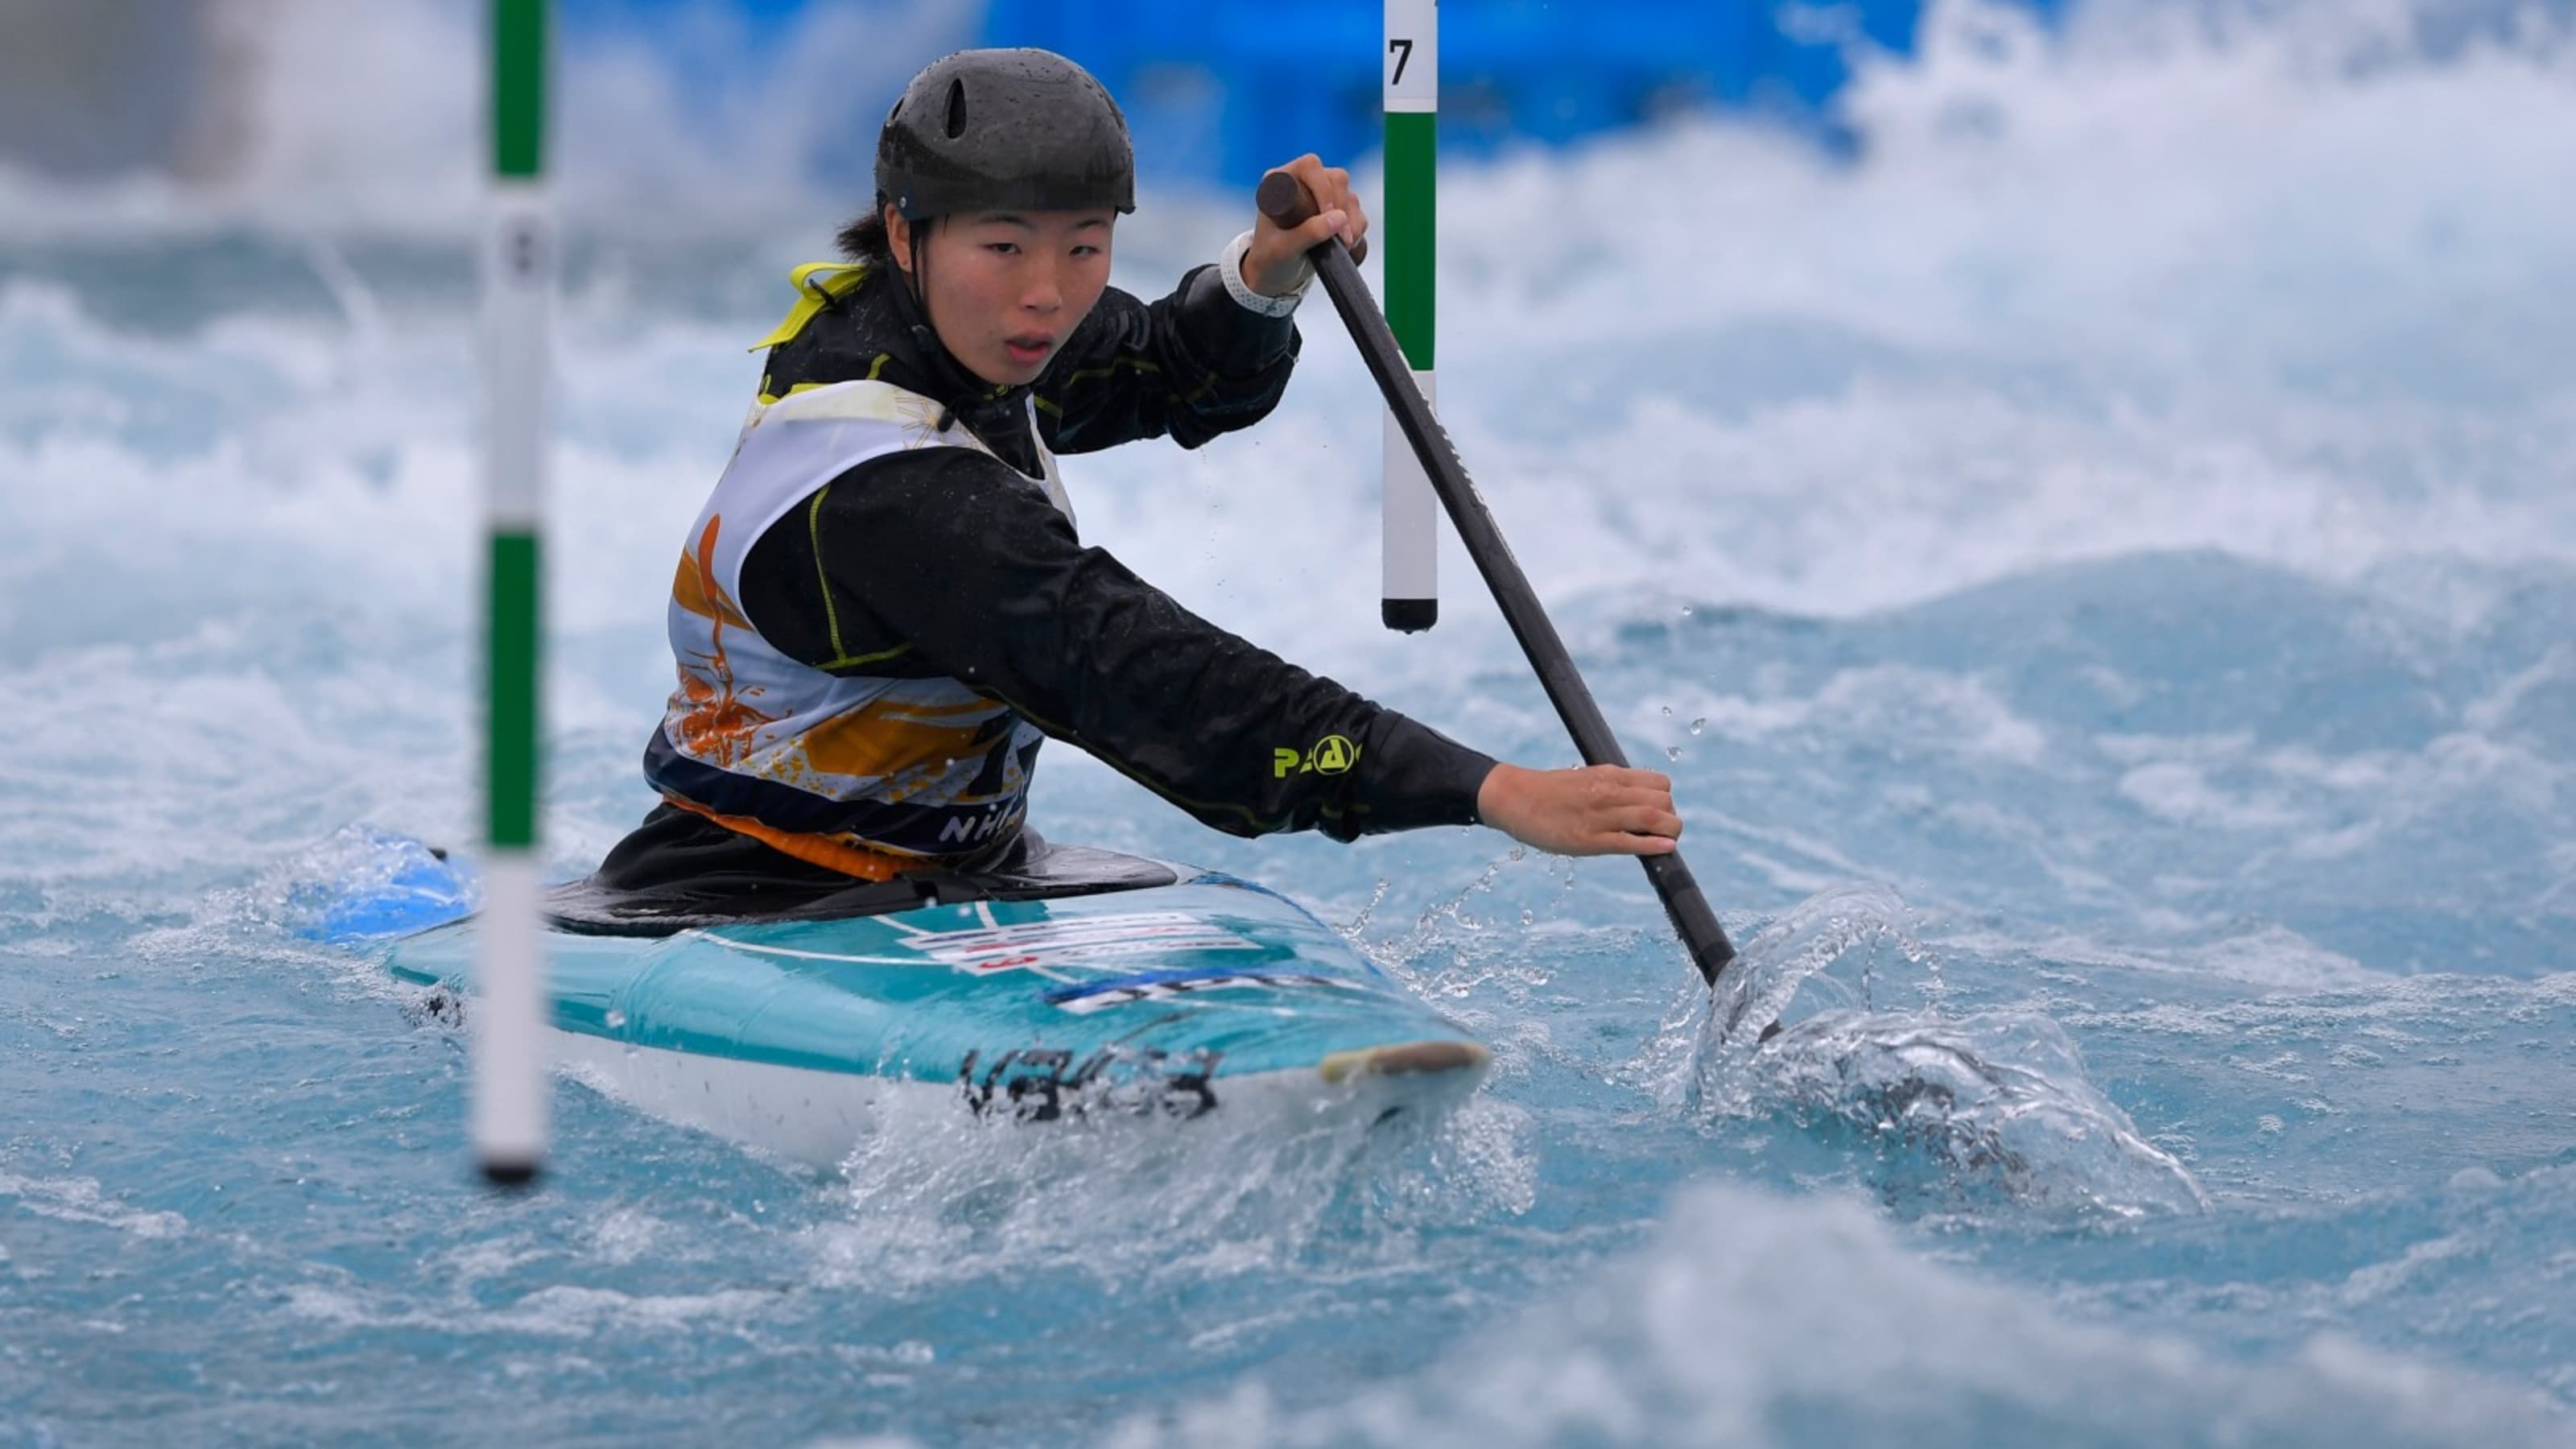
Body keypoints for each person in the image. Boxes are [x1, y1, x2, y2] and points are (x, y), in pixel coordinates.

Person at [588, 47, 1680, 914]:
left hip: (957, 870)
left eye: (1085, 247)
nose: (1048, 297)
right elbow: (1146, 679)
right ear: (902, 235)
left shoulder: (968, 330)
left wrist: (1265, 278)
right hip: (755, 892)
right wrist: (1490, 791)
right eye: (1005, 247)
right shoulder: (892, 497)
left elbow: (1166, 371)